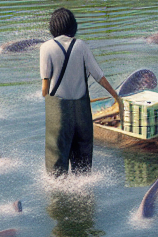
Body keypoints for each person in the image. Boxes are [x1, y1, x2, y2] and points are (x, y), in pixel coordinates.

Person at [40, 7, 123, 176]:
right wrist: (116, 96)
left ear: (53, 28)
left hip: (59, 114)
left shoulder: (46, 47)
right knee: (83, 169)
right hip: (82, 114)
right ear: (73, 26)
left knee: (56, 170)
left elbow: (45, 87)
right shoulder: (81, 46)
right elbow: (99, 76)